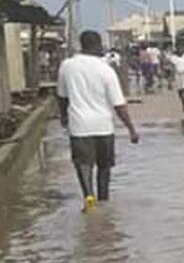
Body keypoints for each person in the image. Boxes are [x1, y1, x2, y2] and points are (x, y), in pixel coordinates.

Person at [57, 30, 140, 212]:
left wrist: (64, 118)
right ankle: (104, 201)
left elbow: (62, 97)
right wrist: (131, 129)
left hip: (79, 126)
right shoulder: (106, 70)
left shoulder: (67, 66)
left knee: (83, 164)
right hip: (103, 126)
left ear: (81, 44)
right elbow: (119, 105)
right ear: (98, 45)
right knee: (104, 167)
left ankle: (89, 199)